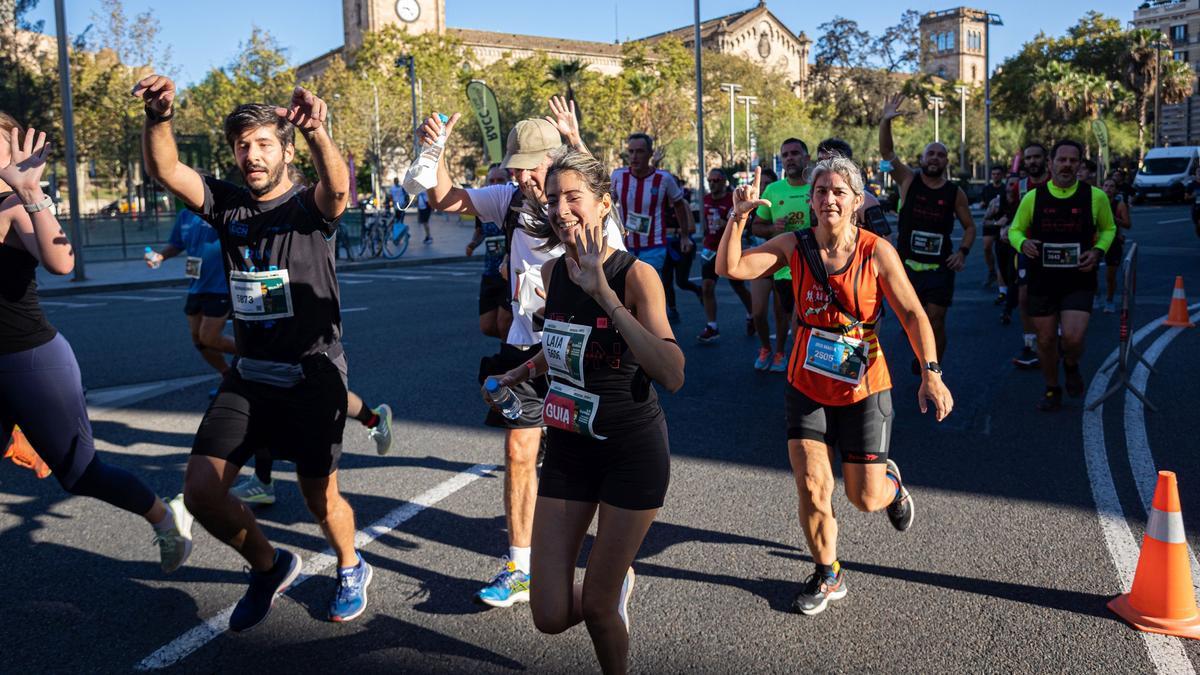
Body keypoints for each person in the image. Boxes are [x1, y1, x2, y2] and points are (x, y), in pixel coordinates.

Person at [136, 74, 372, 629]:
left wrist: (318, 132)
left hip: (312, 374)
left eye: (264, 143)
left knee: (320, 499)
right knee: (200, 491)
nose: (252, 154)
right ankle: (269, 566)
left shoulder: (308, 207)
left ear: (286, 150)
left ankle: (350, 563)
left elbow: (336, 190)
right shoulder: (229, 205)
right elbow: (166, 171)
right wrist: (159, 118)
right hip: (249, 374)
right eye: (243, 145)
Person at [717, 160, 953, 615]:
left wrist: (931, 374)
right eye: (822, 191)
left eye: (840, 191)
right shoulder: (794, 245)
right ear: (810, 201)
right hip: (806, 382)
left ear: (857, 201)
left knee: (863, 498)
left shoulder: (876, 250)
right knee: (811, 484)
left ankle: (891, 484)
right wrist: (738, 216)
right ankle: (828, 572)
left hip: (864, 386)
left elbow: (912, 314)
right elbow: (734, 268)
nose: (830, 199)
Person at [420, 96, 626, 609]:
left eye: (529, 170)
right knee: (519, 452)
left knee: (589, 461)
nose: (520, 180)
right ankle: (519, 565)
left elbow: (617, 274)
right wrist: (435, 151)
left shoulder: (588, 208)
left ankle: (612, 566)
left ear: (554, 163)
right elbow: (447, 199)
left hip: (580, 350)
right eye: (515, 170)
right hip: (524, 345)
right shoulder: (508, 199)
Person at [490, 147, 683, 674]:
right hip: (571, 448)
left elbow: (671, 372)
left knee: (596, 606)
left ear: (602, 204)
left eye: (573, 196)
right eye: (553, 198)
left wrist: (604, 294)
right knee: (549, 614)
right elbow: (564, 345)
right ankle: (611, 586)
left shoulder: (636, 275)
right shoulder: (552, 273)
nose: (561, 207)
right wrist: (524, 371)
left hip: (630, 451)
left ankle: (609, 610)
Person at [0, 113, 194, 574]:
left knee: (82, 475)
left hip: (30, 361)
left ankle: (166, 518)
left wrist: (31, 194)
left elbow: (61, 261)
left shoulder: (13, 205)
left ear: (14, 152)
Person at [1007, 140, 1116, 411]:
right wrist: (1023, 244)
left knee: (1073, 338)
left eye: (1072, 160)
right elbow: (1015, 230)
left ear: (1079, 164)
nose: (1067, 165)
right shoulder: (1033, 198)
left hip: (1078, 279)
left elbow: (1109, 228)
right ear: (1051, 164)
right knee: (1045, 341)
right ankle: (1052, 388)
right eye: (1062, 160)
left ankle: (1070, 364)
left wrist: (1098, 251)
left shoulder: (1095, 197)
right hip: (1042, 280)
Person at [879, 94, 976, 369]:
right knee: (912, 317)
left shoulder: (955, 193)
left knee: (936, 320)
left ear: (947, 161)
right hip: (906, 265)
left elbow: (970, 227)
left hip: (939, 268)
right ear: (922, 158)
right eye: (930, 153)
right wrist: (885, 122)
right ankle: (921, 351)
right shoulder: (909, 180)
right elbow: (887, 153)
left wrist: (962, 252)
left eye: (940, 154)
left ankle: (932, 368)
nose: (935, 158)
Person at [611, 133, 695, 322]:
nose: (634, 156)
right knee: (624, 292)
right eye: (631, 152)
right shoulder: (618, 176)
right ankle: (632, 333)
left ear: (650, 153)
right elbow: (607, 205)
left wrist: (684, 236)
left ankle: (655, 330)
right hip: (624, 245)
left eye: (639, 151)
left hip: (654, 244)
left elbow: (679, 205)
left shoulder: (663, 179)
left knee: (645, 289)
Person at [146, 209, 235, 380]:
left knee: (209, 337)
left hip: (220, 285)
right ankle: (228, 375)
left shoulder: (219, 210)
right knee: (198, 340)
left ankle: (258, 358)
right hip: (196, 285)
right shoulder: (185, 215)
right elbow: (177, 244)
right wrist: (160, 256)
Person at [750, 138, 812, 372]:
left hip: (810, 266)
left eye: (795, 153)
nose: (789, 158)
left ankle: (795, 362)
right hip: (778, 264)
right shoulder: (773, 190)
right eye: (785, 154)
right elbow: (757, 226)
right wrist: (772, 229)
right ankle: (769, 348)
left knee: (798, 322)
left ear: (806, 157)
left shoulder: (817, 186)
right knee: (761, 313)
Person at [1001, 143, 1050, 366]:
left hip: (1054, 247)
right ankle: (1030, 343)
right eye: (1028, 158)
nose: (1032, 162)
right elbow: (1012, 215)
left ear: (1046, 160)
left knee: (1053, 294)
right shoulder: (1019, 186)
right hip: (1027, 247)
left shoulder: (1056, 183)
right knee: (1023, 296)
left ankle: (1054, 336)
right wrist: (1006, 228)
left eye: (1037, 157)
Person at [696, 168, 753, 343]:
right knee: (706, 287)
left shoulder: (731, 199)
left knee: (738, 287)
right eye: (710, 180)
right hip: (709, 249)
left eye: (716, 180)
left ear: (723, 182)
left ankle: (753, 314)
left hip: (728, 249)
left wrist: (727, 222)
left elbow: (744, 221)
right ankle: (712, 325)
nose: (712, 184)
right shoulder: (705, 200)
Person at [466, 165, 515, 340]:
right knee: (487, 326)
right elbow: (480, 232)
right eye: (491, 181)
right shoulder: (483, 206)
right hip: (489, 272)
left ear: (508, 181)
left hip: (508, 274)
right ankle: (515, 343)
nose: (495, 184)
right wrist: (473, 243)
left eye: (500, 180)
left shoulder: (513, 204)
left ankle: (512, 355)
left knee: (504, 324)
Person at [658, 169, 703, 323]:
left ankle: (699, 290)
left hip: (683, 247)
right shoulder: (660, 203)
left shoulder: (682, 203)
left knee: (681, 282)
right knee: (666, 280)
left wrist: (673, 231)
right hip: (665, 247)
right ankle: (672, 309)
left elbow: (692, 228)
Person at [1100, 176, 1132, 313]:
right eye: (1106, 186)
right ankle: (1096, 296)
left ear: (1115, 190)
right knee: (1088, 272)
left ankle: (1109, 300)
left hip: (1113, 242)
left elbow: (1128, 224)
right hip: (1095, 241)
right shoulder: (1097, 202)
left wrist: (1114, 219)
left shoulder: (1120, 205)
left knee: (1110, 275)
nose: (1108, 189)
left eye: (1111, 186)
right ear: (1102, 188)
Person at [977, 166, 1008, 290]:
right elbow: (982, 203)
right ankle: (992, 272)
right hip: (990, 222)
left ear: (1002, 175)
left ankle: (1005, 276)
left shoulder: (1006, 188)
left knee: (1002, 251)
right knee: (986, 247)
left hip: (1003, 222)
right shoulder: (987, 189)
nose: (995, 176)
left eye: (998, 174)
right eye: (993, 174)